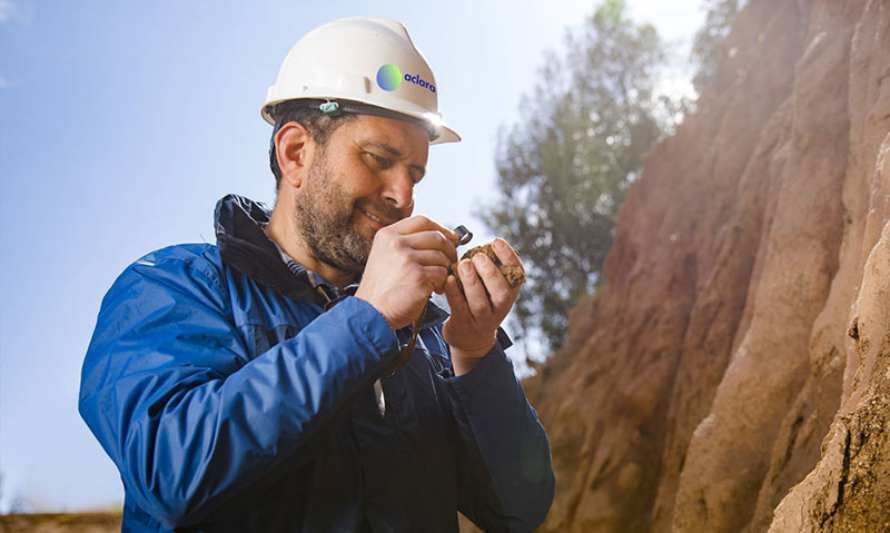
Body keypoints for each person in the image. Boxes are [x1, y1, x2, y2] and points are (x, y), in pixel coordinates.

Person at [79, 17, 554, 532]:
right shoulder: (174, 286)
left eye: (414, 173)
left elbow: (518, 508)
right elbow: (170, 472)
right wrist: (365, 318)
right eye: (379, 158)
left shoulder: (429, 332)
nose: (404, 195)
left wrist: (474, 349)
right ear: (296, 153)